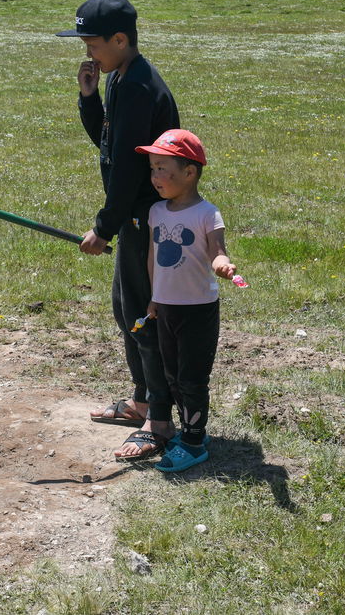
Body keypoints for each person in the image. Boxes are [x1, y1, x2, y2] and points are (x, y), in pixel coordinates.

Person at [56, 0, 180, 460]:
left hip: (146, 218)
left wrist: (103, 227)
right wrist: (89, 99)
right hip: (133, 216)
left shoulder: (137, 87)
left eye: (92, 43)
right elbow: (109, 143)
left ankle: (160, 421)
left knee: (144, 317)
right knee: (124, 310)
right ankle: (142, 399)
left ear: (121, 39)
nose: (87, 52)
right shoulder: (119, 78)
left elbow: (129, 170)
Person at [135, 129, 234, 472]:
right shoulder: (157, 211)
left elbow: (217, 251)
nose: (155, 177)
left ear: (189, 172)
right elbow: (153, 257)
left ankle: (194, 442)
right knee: (173, 375)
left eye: (163, 168)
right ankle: (192, 432)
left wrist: (221, 263)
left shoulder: (207, 213)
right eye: (152, 168)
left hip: (197, 310)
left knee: (192, 377)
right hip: (167, 306)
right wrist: (153, 297)